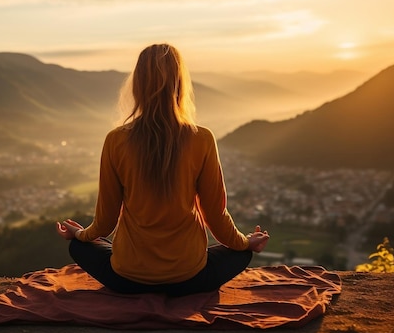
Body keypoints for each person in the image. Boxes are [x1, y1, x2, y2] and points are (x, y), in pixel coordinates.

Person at [57, 43, 269, 296]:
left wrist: (80, 234)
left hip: (127, 279)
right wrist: (246, 243)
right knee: (240, 254)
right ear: (180, 84)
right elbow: (216, 215)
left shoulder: (116, 140)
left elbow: (105, 223)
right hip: (190, 278)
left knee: (78, 248)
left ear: (137, 85)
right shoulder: (201, 138)